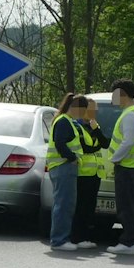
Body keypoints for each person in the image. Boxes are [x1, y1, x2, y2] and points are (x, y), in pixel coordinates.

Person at [105, 79, 134, 256]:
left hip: (128, 167)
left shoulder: (130, 115)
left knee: (127, 207)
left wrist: (115, 159)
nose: (112, 98)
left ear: (122, 94)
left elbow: (128, 141)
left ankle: (128, 242)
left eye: (114, 95)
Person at [45, 92, 85, 251]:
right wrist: (72, 158)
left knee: (64, 204)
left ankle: (60, 238)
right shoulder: (64, 121)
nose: (83, 114)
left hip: (62, 166)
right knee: (64, 204)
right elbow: (60, 143)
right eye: (82, 110)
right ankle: (59, 240)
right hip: (63, 166)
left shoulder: (65, 120)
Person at [73, 96, 107, 248]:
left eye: (95, 110)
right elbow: (84, 148)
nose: (94, 112)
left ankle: (85, 237)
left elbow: (104, 143)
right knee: (81, 207)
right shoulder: (77, 125)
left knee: (90, 207)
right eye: (91, 109)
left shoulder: (94, 125)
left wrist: (97, 129)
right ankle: (78, 237)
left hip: (95, 174)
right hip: (82, 173)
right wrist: (96, 146)